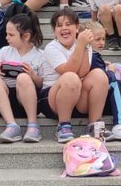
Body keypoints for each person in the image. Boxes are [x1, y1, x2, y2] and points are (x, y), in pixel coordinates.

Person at [43, 8, 110, 143]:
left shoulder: (85, 45)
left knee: (99, 75)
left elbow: (83, 72)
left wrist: (84, 46)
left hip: (77, 96)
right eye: (59, 25)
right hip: (53, 100)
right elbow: (69, 70)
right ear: (54, 30)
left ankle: (94, 125)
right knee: (70, 77)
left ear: (77, 27)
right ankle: (63, 126)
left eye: (68, 24)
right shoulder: (51, 48)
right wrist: (81, 45)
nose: (64, 28)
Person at [0, 11, 50, 143]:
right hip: (6, 101)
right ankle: (12, 125)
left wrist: (32, 75)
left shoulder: (40, 55)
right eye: (7, 33)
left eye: (11, 35)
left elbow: (43, 84)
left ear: (26, 36)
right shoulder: (5, 51)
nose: (7, 37)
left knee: (23, 78)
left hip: (29, 101)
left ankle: (33, 125)